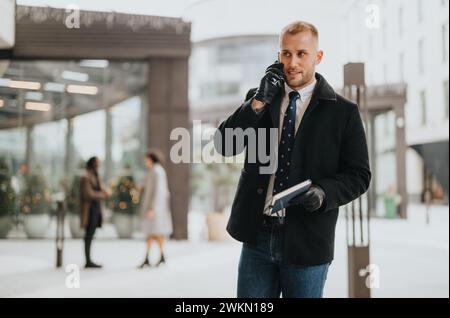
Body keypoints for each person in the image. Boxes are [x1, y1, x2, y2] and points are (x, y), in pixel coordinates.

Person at [214, 21, 371, 298]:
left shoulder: (343, 112)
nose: (292, 62)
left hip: (307, 240)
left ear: (318, 57)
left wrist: (324, 192)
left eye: (301, 54)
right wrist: (258, 103)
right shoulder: (260, 99)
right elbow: (224, 145)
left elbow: (359, 175)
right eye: (286, 54)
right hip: (257, 237)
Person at [137, 150, 173, 269]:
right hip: (155, 208)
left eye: (146, 159)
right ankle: (154, 256)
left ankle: (152, 256)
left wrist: (152, 208)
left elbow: (158, 191)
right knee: (152, 233)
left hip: (155, 208)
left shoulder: (156, 171)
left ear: (150, 159)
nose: (145, 161)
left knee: (154, 233)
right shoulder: (155, 170)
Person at [79, 156, 109, 269]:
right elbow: (88, 194)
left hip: (96, 209)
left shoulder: (96, 175)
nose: (99, 165)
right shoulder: (85, 176)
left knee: (91, 234)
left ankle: (89, 260)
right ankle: (88, 260)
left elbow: (100, 189)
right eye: (97, 163)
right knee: (88, 235)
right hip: (89, 209)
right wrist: (102, 195)